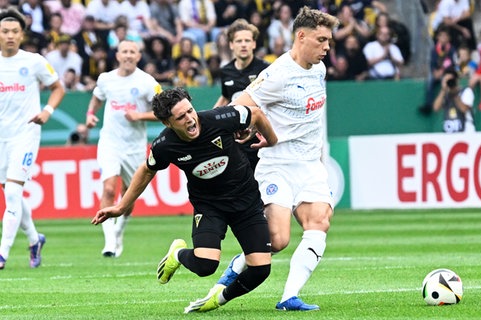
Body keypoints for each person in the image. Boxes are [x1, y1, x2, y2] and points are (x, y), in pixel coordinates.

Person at [191, 6, 338, 312]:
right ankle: (231, 272)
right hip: (277, 165)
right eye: (322, 39)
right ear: (301, 36)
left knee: (320, 221)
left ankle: (288, 297)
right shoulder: (277, 74)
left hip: (310, 164)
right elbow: (240, 103)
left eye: (329, 40)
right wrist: (244, 127)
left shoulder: (320, 70)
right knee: (277, 240)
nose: (327, 47)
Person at [91, 87, 278, 313]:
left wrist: (272, 140)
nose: (190, 119)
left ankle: (219, 298)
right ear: (168, 123)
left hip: (246, 202)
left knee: (260, 270)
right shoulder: (164, 145)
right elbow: (147, 170)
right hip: (210, 207)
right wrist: (121, 206)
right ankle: (177, 254)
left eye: (190, 111)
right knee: (206, 265)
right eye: (181, 117)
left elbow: (255, 113)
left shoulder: (220, 118)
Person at [0, 8, 65, 269]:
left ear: (22, 34)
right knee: (11, 193)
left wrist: (47, 111)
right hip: (1, 137)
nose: (10, 36)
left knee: (13, 192)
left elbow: (57, 87)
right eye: (5, 31)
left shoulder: (34, 61)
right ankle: (33, 238)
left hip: (25, 135)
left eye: (15, 31)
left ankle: (2, 253)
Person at [85, 40, 162, 258]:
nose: (128, 55)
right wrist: (90, 115)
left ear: (138, 56)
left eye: (132, 52)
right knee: (109, 189)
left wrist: (140, 115)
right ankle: (109, 242)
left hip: (134, 146)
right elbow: (96, 99)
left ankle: (120, 229)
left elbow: (163, 112)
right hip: (110, 143)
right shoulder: (106, 79)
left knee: (129, 195)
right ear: (117, 55)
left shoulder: (147, 82)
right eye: (124, 51)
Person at [213, 19, 269, 170]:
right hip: (236, 138)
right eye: (239, 41)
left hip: (261, 138)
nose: (243, 44)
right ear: (231, 44)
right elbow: (226, 97)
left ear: (254, 44)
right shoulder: (226, 72)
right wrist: (210, 119)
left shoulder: (266, 70)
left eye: (247, 40)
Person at [433, 68, 475, 133]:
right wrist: (443, 90)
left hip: (466, 131)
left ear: (457, 80)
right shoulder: (445, 94)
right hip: (449, 132)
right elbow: (436, 108)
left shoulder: (466, 91)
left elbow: (464, 109)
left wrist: (455, 93)